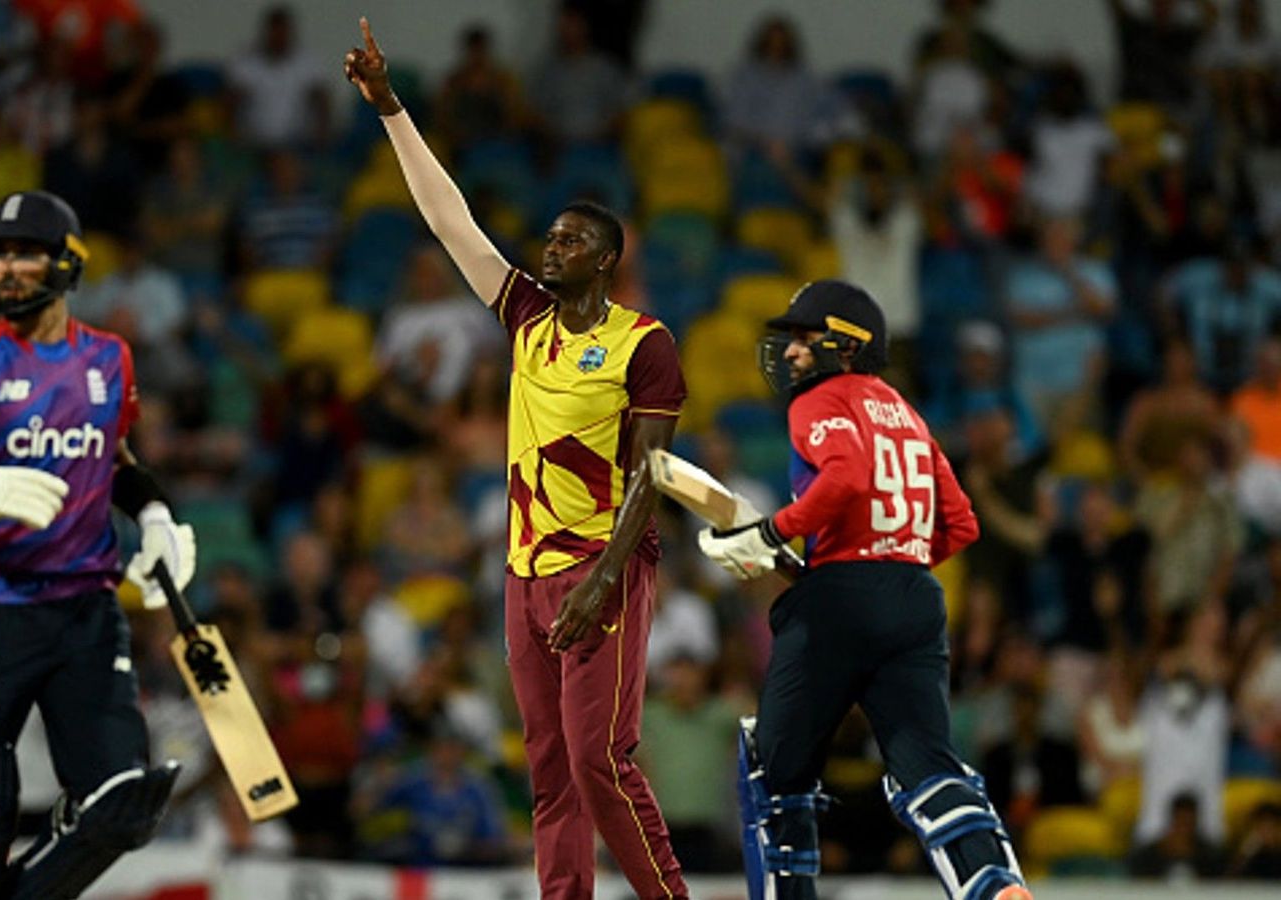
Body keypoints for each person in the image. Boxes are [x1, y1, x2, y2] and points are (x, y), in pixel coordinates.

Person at [346, 20, 690, 899]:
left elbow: (653, 477)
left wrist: (605, 577)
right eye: (549, 238)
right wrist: (391, 108)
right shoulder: (526, 320)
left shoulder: (643, 345)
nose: (551, 248)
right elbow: (447, 216)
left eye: (571, 241)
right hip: (522, 571)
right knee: (548, 775)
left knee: (599, 759)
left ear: (607, 260)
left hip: (599, 568)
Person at [0, 190, 197, 898]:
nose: (6, 270)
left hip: (86, 605)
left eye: (24, 253)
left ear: (67, 261)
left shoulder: (110, 360)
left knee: (121, 800)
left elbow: (115, 458)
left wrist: (153, 517)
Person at [696, 279, 1031, 900]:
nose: (791, 352)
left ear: (845, 347)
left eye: (804, 337)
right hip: (915, 596)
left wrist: (774, 531)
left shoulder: (818, 401)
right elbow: (962, 523)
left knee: (773, 770)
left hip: (838, 604)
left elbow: (846, 477)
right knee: (926, 768)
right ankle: (993, 884)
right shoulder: (904, 411)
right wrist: (891, 560)